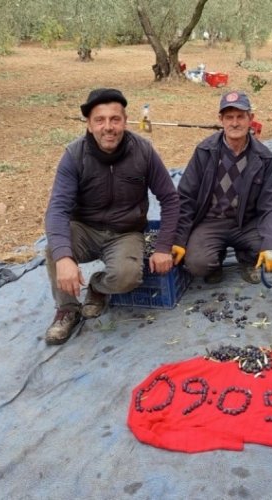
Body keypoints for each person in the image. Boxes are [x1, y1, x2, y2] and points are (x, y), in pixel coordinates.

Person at [43, 88, 181, 345]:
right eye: (100, 120)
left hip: (125, 232)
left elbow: (170, 199)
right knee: (54, 248)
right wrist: (64, 257)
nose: (109, 127)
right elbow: (57, 209)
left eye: (115, 119)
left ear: (125, 122)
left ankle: (97, 287)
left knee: (128, 276)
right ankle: (67, 310)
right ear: (89, 124)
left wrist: (163, 246)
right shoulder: (74, 155)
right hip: (85, 228)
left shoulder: (143, 151)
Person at [172, 90, 272, 285]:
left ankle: (247, 258)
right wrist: (179, 239)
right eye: (229, 117)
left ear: (251, 118)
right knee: (197, 264)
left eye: (240, 116)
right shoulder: (205, 151)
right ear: (221, 119)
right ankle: (215, 261)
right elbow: (185, 196)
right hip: (211, 221)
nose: (235, 123)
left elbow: (271, 203)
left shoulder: (263, 157)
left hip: (246, 222)